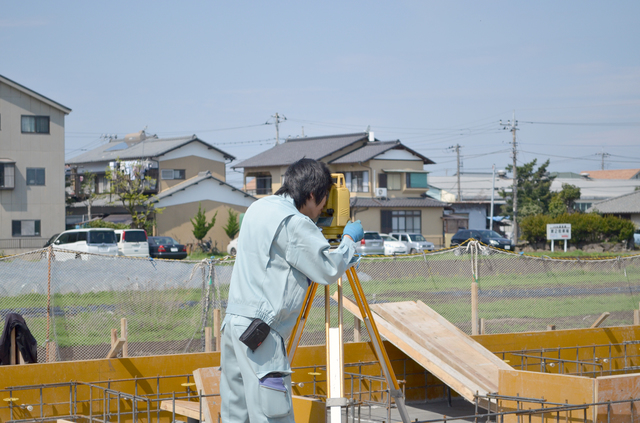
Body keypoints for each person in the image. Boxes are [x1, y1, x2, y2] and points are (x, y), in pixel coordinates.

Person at [220, 158, 364, 423]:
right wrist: (348, 241)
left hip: (233, 329)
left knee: (235, 415)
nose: (322, 210)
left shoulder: (257, 208)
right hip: (261, 336)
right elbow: (328, 270)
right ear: (311, 195)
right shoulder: (296, 223)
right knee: (271, 415)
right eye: (322, 202)